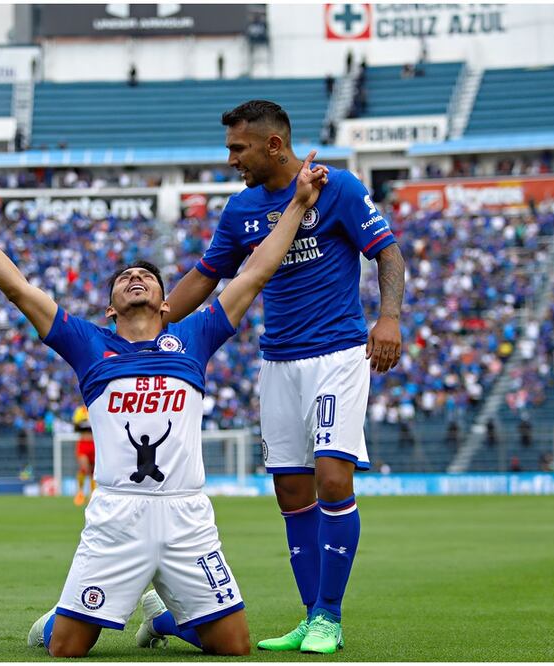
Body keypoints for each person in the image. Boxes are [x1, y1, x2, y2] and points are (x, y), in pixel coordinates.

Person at [0, 154, 328, 658]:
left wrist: (296, 205)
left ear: (167, 303)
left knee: (234, 647)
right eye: (125, 278)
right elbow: (18, 288)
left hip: (186, 513)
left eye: (147, 275)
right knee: (66, 649)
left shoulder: (195, 336)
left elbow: (252, 276)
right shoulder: (87, 343)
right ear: (110, 306)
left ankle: (162, 618)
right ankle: (64, 617)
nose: (136, 278)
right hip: (117, 515)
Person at [165, 100, 406, 654]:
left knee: (333, 480)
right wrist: (155, 321)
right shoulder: (242, 209)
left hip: (337, 354)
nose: (231, 159)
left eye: (237, 148)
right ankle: (308, 616)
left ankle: (330, 616)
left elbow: (387, 255)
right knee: (291, 491)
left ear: (273, 145)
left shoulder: (338, 188)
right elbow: (206, 276)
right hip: (277, 362)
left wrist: (388, 316)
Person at [71, 404, 96, 506]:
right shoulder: (79, 410)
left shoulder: (96, 406)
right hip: (84, 443)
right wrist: (84, 423)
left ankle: (93, 494)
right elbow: (75, 427)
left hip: (95, 443)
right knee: (84, 469)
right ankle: (80, 492)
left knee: (94, 472)